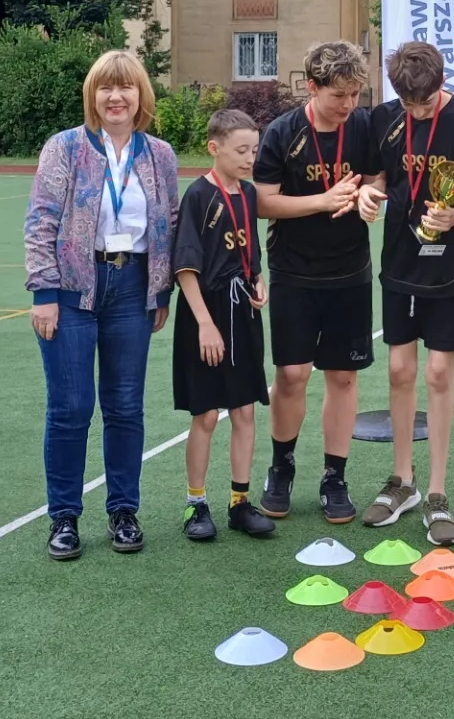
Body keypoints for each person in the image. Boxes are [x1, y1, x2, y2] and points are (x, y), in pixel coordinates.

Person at [24, 49, 178, 562]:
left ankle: (123, 512)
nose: (116, 97)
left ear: (141, 96)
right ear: (93, 95)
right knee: (70, 409)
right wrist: (44, 293)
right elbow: (41, 221)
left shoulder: (159, 154)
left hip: (132, 287)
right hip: (71, 289)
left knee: (125, 406)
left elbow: (170, 225)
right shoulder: (64, 148)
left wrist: (161, 291)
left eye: (126, 87)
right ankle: (64, 517)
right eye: (105, 88)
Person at [357, 41, 454, 545]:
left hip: (452, 260)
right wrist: (370, 194)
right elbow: (377, 176)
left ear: (441, 84)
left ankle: (437, 492)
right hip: (400, 254)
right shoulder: (383, 118)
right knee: (398, 368)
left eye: (426, 102)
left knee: (438, 372)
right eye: (409, 104)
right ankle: (403, 482)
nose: (417, 111)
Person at [254, 41, 376, 524]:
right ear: (312, 86)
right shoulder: (283, 132)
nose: (348, 105)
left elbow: (377, 175)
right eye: (339, 95)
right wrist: (323, 201)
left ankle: (334, 476)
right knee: (291, 375)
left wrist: (368, 192)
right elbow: (263, 201)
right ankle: (281, 466)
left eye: (355, 94)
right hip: (293, 271)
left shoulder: (364, 127)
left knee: (343, 376)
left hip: (350, 270)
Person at [172, 109, 276, 542]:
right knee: (207, 415)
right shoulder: (198, 195)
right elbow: (185, 268)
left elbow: (247, 249)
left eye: (253, 150)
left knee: (245, 411)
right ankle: (196, 504)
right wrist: (205, 324)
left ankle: (240, 502)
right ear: (214, 148)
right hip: (207, 314)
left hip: (242, 311)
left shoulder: (248, 194)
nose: (249, 158)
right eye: (240, 151)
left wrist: (258, 281)